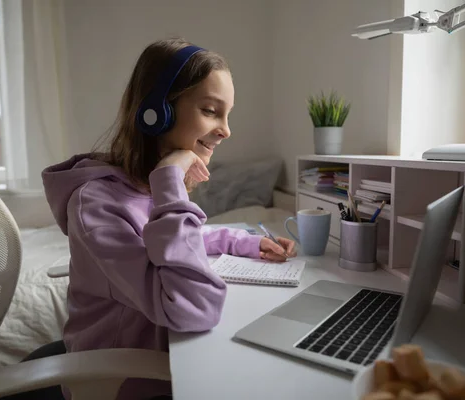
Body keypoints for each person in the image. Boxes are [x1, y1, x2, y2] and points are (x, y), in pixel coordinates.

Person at [41, 37, 296, 399]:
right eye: (211, 110)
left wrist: (247, 242)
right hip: (119, 381)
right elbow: (194, 309)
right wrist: (170, 182)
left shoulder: (141, 185)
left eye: (228, 115)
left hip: (159, 356)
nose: (226, 130)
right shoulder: (97, 204)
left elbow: (172, 241)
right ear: (156, 111)